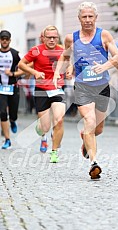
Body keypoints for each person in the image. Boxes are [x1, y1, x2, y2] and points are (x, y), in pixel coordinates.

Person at [54, 2, 118, 179]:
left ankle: (85, 139)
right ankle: (94, 164)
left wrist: (105, 66)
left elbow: (117, 56)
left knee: (98, 129)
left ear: (96, 18)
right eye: (84, 17)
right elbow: (65, 56)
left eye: (91, 16)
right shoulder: (71, 38)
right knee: (89, 120)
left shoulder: (104, 35)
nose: (88, 20)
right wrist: (60, 71)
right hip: (83, 86)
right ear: (79, 19)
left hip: (102, 86)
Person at [18, 25, 69, 163]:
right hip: (41, 90)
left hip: (57, 88)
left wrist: (69, 71)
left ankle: (54, 151)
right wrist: (35, 73)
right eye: (49, 37)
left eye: (54, 37)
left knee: (59, 120)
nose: (52, 40)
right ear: (44, 38)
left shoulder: (62, 50)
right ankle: (41, 131)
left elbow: (69, 63)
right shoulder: (36, 50)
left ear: (57, 38)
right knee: (45, 127)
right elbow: (21, 64)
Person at [0, 30, 24, 149]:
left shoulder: (15, 54)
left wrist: (13, 74)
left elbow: (23, 69)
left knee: (13, 113)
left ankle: (13, 120)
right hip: (0, 89)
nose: (4, 41)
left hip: (13, 88)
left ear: (9, 40)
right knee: (2, 113)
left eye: (6, 39)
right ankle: (7, 139)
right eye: (2, 39)